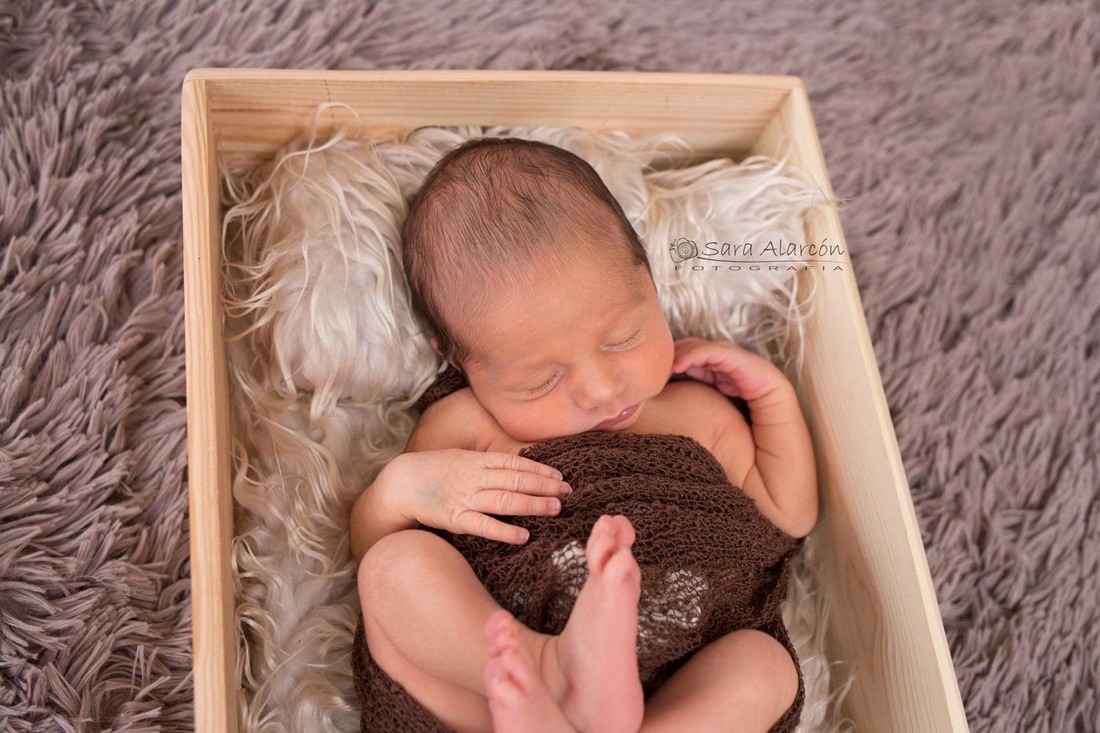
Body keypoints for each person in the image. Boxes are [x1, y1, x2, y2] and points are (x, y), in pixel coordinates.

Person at [348, 136, 818, 732]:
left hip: (674, 665)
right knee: (393, 567)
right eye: (539, 380)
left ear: (649, 284)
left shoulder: (698, 414)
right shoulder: (463, 426)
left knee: (764, 665)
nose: (599, 390)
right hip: (499, 681)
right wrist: (399, 491)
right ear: (462, 364)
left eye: (621, 338)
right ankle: (552, 670)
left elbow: (787, 517)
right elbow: (372, 543)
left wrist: (772, 397)